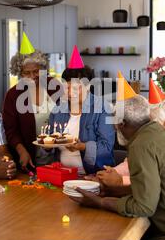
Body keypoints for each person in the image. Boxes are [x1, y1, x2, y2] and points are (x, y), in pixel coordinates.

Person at [70, 75, 165, 240]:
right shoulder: (156, 132)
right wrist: (113, 191)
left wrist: (100, 202)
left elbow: (144, 207)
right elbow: (150, 187)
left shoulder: (141, 144)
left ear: (122, 124)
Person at [47, 46, 115, 175]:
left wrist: (83, 146)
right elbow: (49, 144)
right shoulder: (58, 109)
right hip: (61, 174)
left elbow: (106, 147)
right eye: (67, 87)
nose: (70, 93)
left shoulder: (102, 109)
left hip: (93, 176)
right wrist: (46, 146)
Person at [2, 32, 62, 171]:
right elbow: (11, 130)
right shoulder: (13, 95)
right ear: (19, 72)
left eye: (36, 71)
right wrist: (22, 151)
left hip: (59, 152)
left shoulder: (54, 86)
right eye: (26, 73)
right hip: (31, 154)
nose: (32, 76)